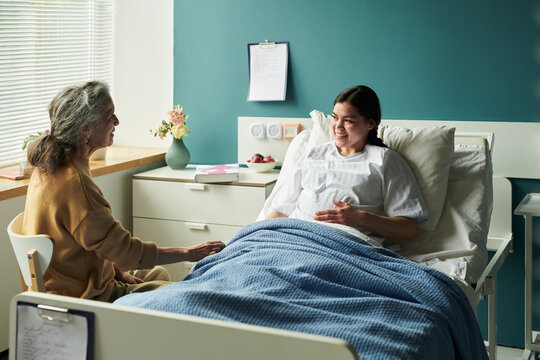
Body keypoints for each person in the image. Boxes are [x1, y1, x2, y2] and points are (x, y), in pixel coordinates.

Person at [22, 81, 225, 302]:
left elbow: (92, 242)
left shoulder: (50, 167)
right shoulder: (75, 184)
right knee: (178, 297)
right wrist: (188, 253)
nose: (117, 121)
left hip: (73, 281)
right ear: (84, 130)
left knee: (158, 274)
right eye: (109, 116)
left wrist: (117, 272)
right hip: (85, 296)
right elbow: (126, 252)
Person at [266, 85, 428, 242]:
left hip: (345, 246)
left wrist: (361, 218)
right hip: (295, 238)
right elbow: (281, 211)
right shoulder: (313, 155)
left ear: (370, 124)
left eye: (348, 121)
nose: (338, 126)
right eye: (335, 117)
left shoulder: (384, 160)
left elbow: (409, 229)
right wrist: (253, 235)